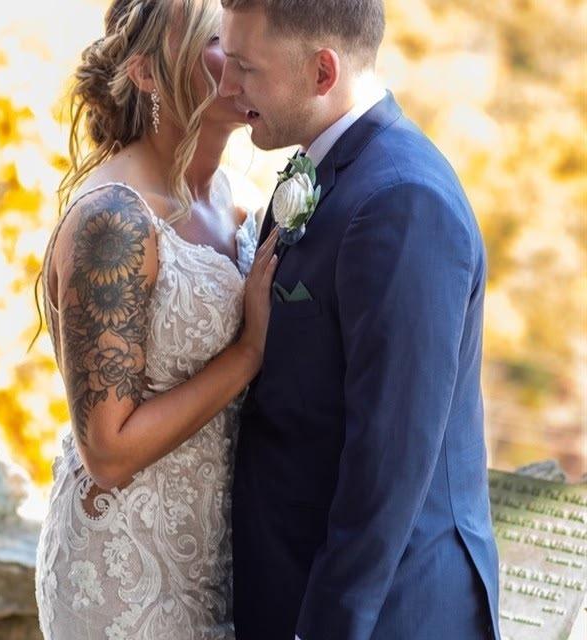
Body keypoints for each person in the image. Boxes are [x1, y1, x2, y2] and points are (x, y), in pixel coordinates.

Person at [219, 1, 501, 639]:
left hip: (389, 614)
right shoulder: (331, 171)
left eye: (245, 67)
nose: (227, 85)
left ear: (323, 72)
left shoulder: (403, 201)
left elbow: (389, 463)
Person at [34, 1, 279, 638]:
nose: (246, 57)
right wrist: (247, 355)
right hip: (122, 570)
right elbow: (108, 452)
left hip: (216, 561)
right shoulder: (113, 220)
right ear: (147, 72)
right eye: (219, 42)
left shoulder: (233, 202)